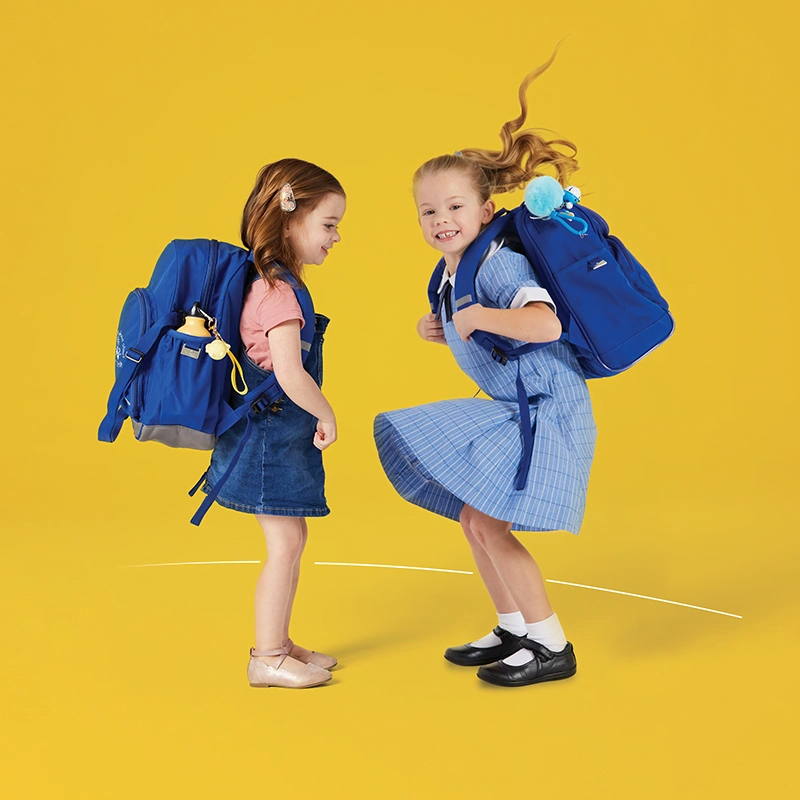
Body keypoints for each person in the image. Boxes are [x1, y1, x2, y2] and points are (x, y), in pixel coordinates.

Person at [373, 56, 597, 687]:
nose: (440, 220)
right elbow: (477, 326)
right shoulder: (450, 269)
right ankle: (513, 628)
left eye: (452, 207)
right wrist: (445, 326)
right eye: (426, 211)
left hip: (545, 408)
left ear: (483, 207)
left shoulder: (496, 263)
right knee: (475, 519)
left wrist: (477, 318)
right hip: (515, 404)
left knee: (489, 525)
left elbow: (544, 326)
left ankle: (552, 646)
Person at [202, 158, 345, 689]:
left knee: (292, 538)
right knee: (284, 544)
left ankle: (281, 643)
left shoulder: (269, 283)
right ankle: (265, 657)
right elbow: (287, 372)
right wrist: (326, 410)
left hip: (273, 434)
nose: (336, 237)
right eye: (328, 224)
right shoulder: (278, 291)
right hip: (269, 437)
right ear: (290, 221)